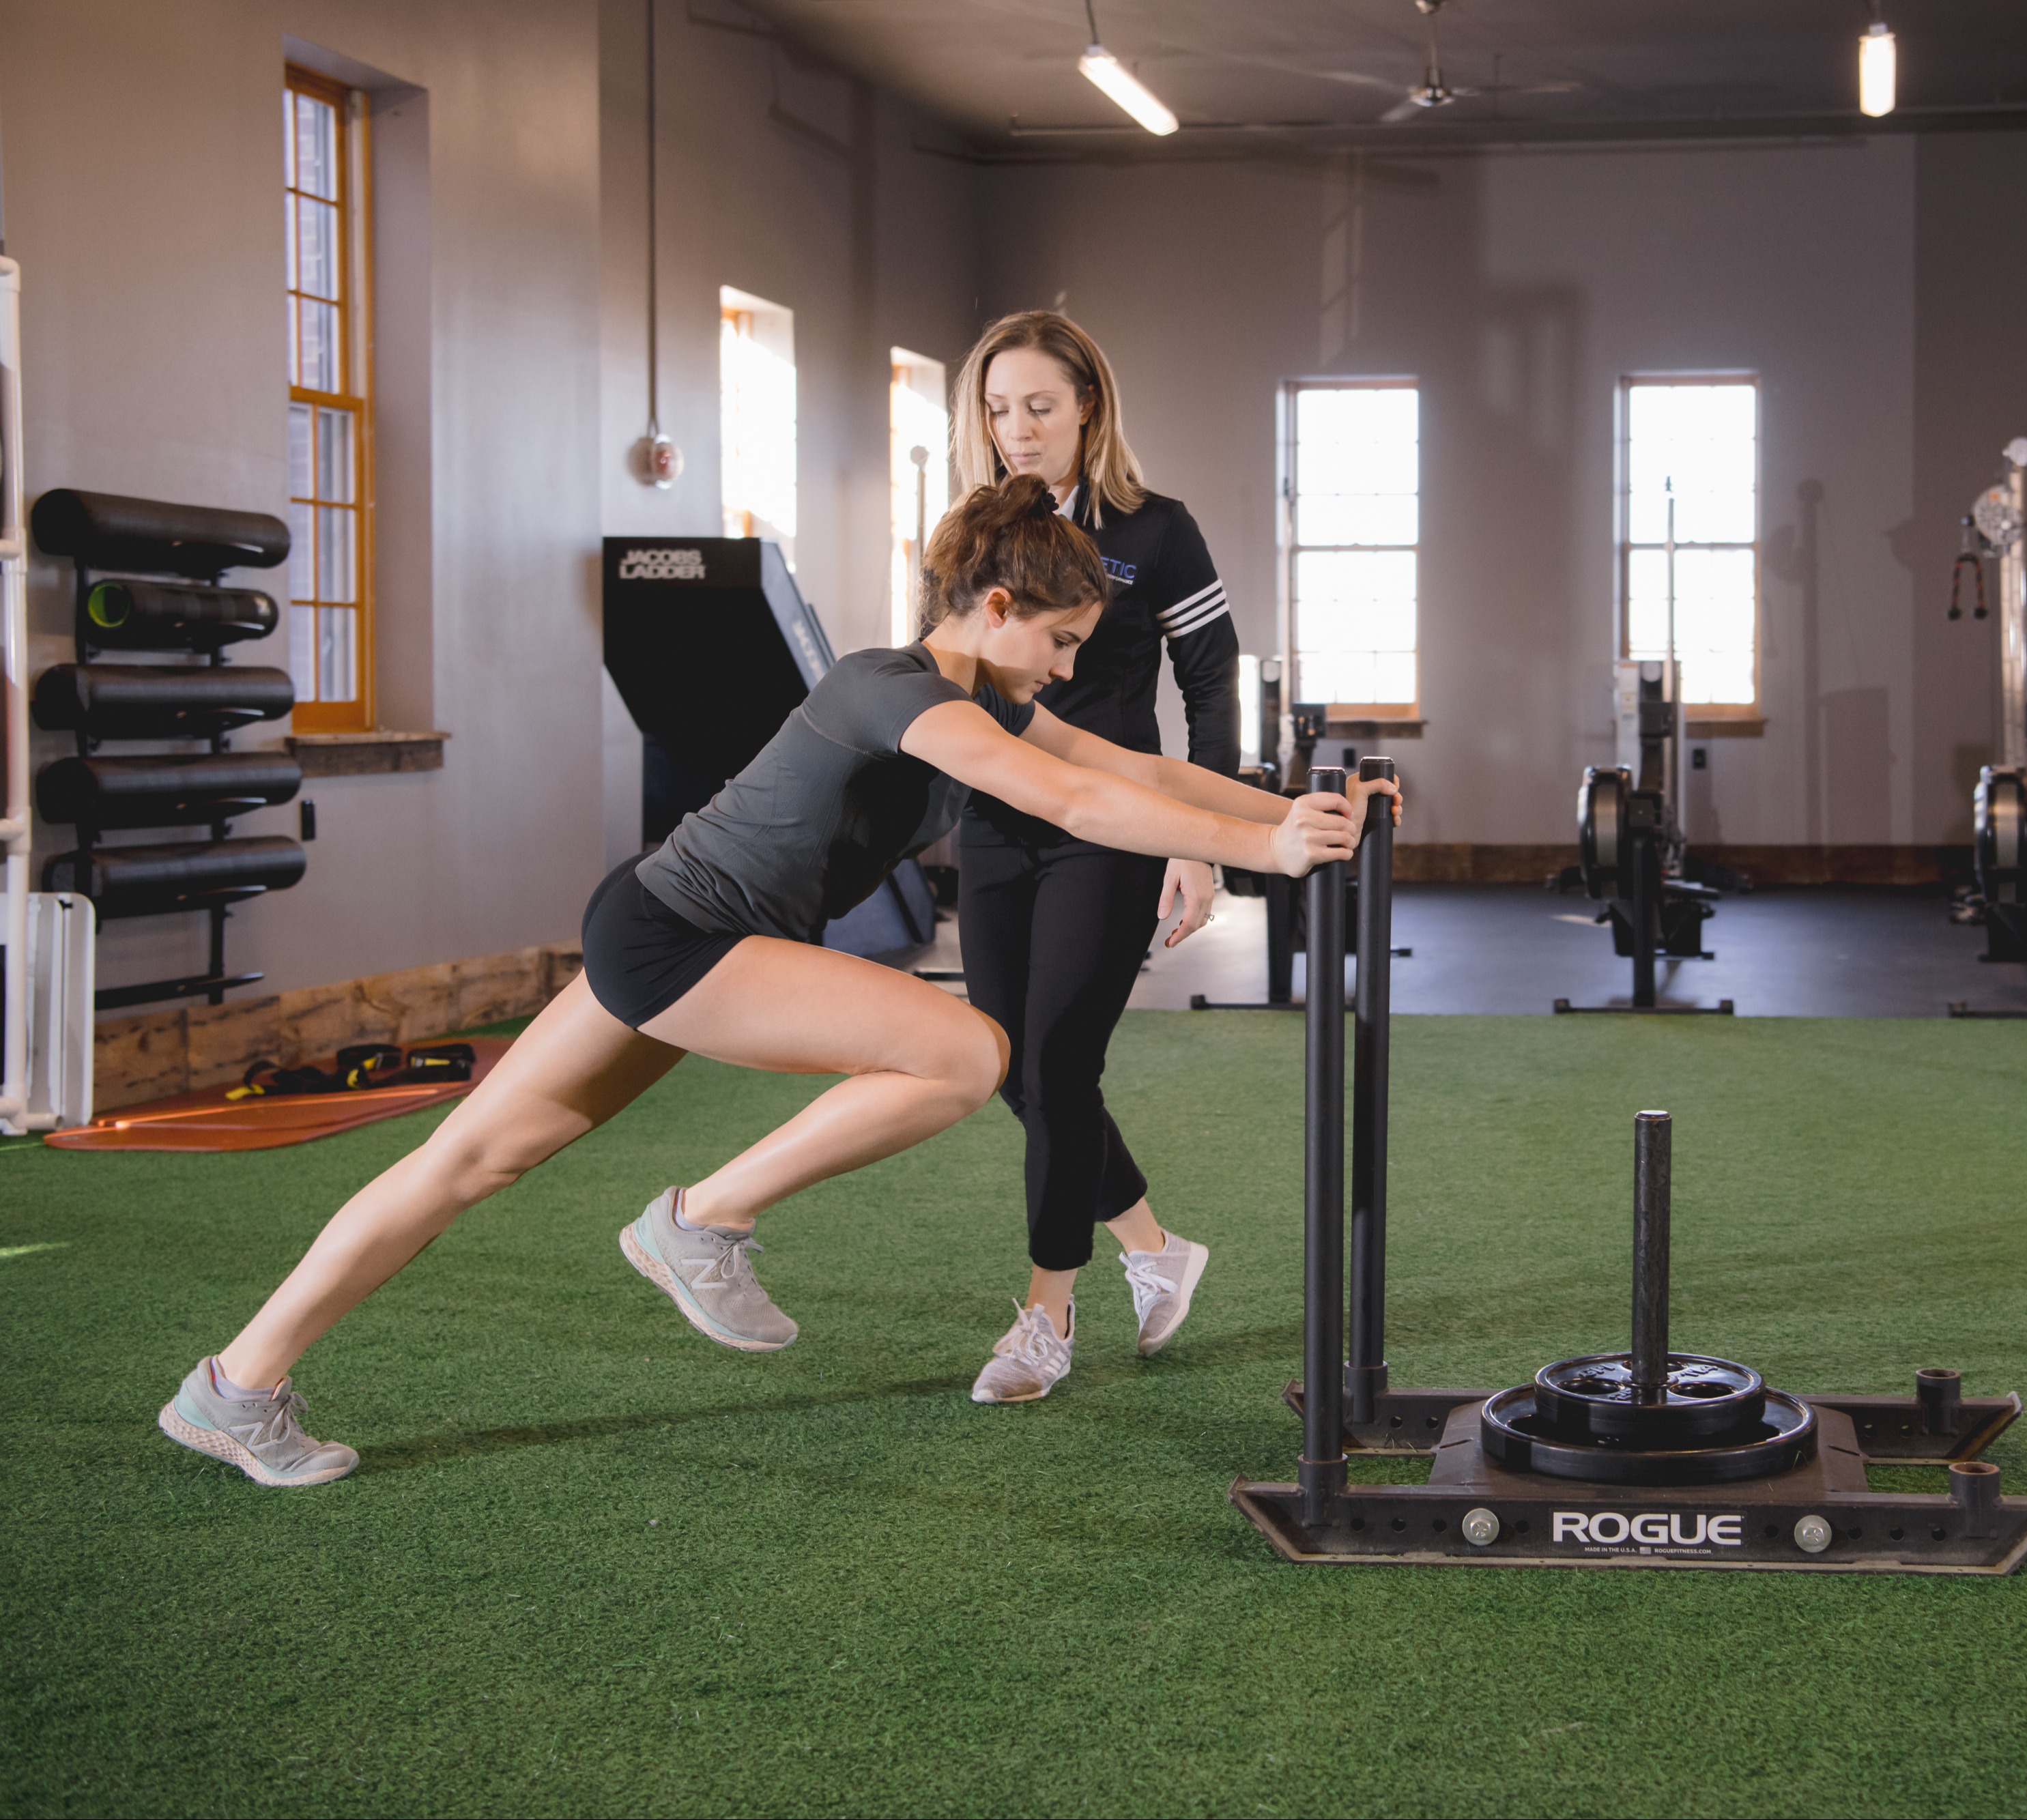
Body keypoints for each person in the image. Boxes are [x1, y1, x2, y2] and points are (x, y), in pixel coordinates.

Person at [155, 474, 1395, 1488]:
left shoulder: (988, 704)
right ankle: (696, 1222)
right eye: (1060, 642)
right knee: (965, 1055)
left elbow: (1138, 772)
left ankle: (234, 1386)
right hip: (676, 940)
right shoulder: (889, 687)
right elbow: (1074, 801)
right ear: (999, 604)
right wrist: (1265, 857)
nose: (1066, 670)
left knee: (468, 1162)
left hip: (659, 930)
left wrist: (1305, 809)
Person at [949, 312, 1238, 1404]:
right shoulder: (973, 530)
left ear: (1085, 407)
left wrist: (1198, 846)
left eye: (1036, 405)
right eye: (996, 408)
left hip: (1112, 825)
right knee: (1006, 1067)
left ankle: (1043, 1315)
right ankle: (1154, 1247)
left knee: (1061, 1066)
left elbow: (1210, 681)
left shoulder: (1156, 531)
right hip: (994, 823)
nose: (1015, 428)